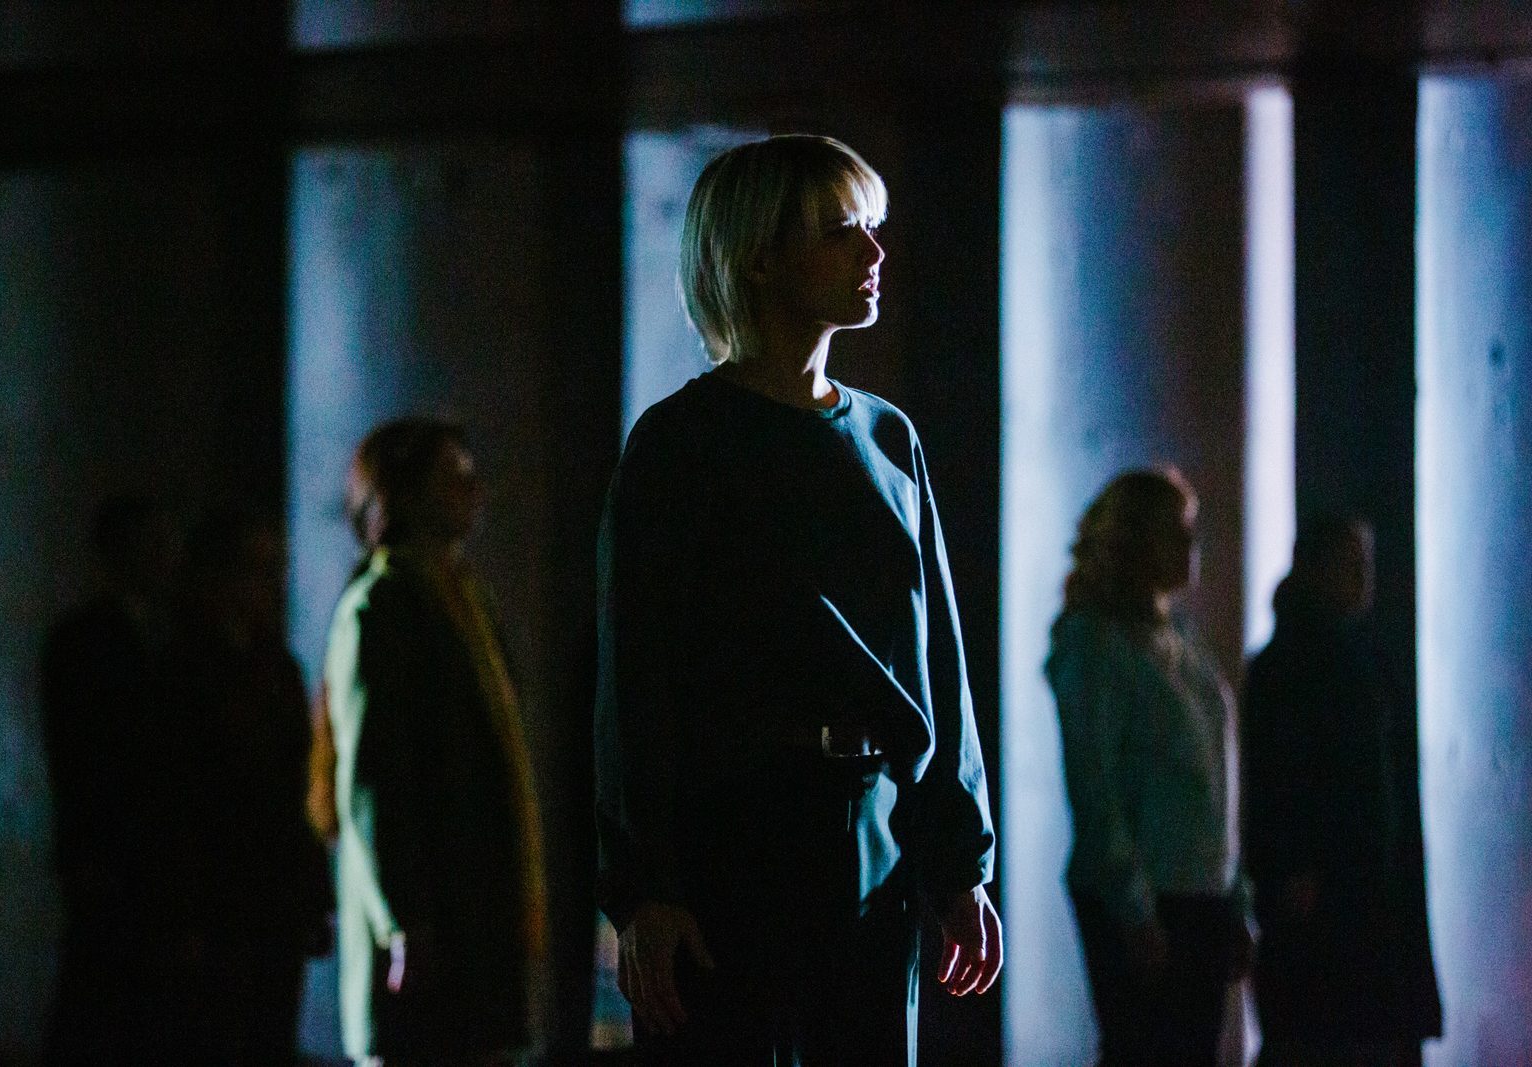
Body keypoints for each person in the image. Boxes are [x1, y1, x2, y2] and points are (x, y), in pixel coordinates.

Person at [595, 134, 1000, 1067]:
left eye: (872, 228)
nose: (875, 251)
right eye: (840, 231)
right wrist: (648, 885)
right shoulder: (680, 443)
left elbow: (936, 664)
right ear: (760, 258)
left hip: (872, 834)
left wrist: (959, 862)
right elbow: (636, 680)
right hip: (732, 838)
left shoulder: (889, 438)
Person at [323, 418, 548, 1067]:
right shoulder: (382, 605)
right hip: (426, 932)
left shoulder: (464, 599)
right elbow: (371, 782)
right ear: (403, 493)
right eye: (452, 477)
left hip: (471, 918)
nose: (474, 491)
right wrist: (403, 920)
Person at [1044, 468, 1252, 1067]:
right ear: (1136, 541)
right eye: (1175, 531)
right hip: (1146, 899)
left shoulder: (1179, 638)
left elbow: (1214, 782)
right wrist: (1133, 909)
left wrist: (1234, 895)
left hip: (1199, 893)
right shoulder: (1095, 642)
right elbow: (1095, 787)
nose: (1192, 545)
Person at [1244, 517, 1442, 1067]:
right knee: (1330, 1035)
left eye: (1365, 562)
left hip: (1351, 893)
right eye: (1350, 562)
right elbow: (1281, 779)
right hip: (1335, 897)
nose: (1363, 576)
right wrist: (1293, 866)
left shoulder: (1340, 659)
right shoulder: (1307, 665)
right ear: (1314, 568)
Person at [171, 508, 334, 1064]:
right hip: (217, 897)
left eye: (273, 570)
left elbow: (299, 788)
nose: (270, 585)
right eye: (256, 569)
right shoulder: (182, 671)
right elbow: (174, 800)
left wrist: (314, 895)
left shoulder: (277, 669)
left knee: (268, 1036)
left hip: (272, 898)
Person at [39, 493, 192, 1066]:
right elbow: (80, 758)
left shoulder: (162, 637)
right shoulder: (88, 642)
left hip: (136, 853)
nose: (167, 557)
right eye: (154, 544)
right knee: (104, 996)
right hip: (112, 853)